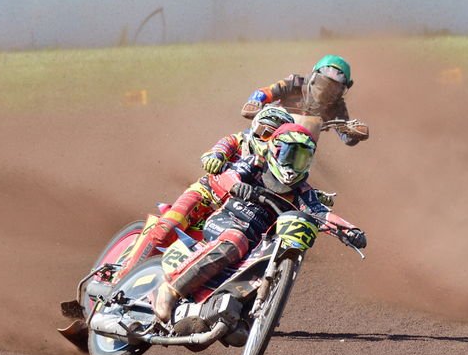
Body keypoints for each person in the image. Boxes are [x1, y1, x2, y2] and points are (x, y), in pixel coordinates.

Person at [152, 122, 367, 323]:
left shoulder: (303, 191)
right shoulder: (256, 165)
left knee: (267, 263)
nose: (294, 163)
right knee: (235, 241)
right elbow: (228, 175)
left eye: (301, 158)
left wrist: (350, 231)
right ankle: (171, 289)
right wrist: (236, 186)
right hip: (227, 222)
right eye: (290, 154)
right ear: (275, 150)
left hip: (257, 241)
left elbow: (321, 213)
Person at [117, 106, 298, 282]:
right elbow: (216, 151)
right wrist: (214, 158)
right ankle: (122, 277)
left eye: (273, 137)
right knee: (166, 228)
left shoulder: (279, 168)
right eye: (263, 131)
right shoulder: (237, 141)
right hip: (205, 195)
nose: (265, 139)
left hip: (235, 215)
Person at [240, 54, 369, 146]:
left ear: (343, 89)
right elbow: (265, 92)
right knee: (245, 141)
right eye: (323, 83)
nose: (326, 90)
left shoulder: (337, 106)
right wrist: (255, 102)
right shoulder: (294, 83)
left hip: (302, 145)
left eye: (334, 88)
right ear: (313, 75)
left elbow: (345, 135)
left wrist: (353, 133)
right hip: (270, 129)